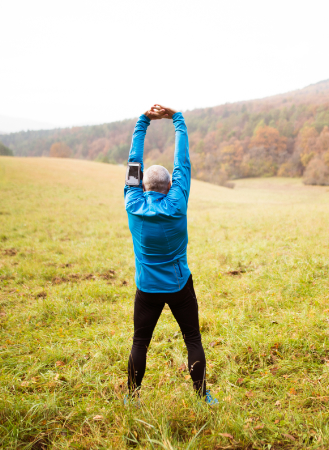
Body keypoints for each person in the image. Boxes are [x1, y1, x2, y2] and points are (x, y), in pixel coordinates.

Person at [124, 104, 217, 405]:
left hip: (147, 288)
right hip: (179, 286)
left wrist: (143, 122)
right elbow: (183, 164)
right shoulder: (177, 203)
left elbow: (133, 161)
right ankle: (202, 397)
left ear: (142, 186)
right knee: (193, 340)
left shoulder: (132, 203)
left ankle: (132, 398)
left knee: (141, 343)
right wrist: (177, 119)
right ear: (169, 187)